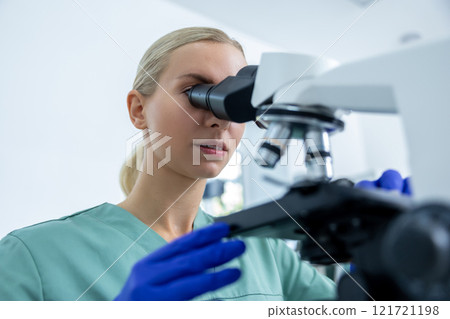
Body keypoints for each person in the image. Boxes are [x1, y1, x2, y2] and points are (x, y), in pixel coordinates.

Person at [0, 27, 410, 301]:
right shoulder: (31, 255)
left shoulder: (266, 251)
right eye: (198, 92)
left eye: (238, 99)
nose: (220, 117)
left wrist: (390, 261)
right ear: (139, 111)